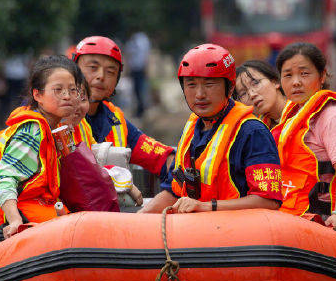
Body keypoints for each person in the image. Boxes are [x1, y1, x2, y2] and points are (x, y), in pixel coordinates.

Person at [140, 44, 282, 214]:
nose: (200, 94)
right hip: (198, 230)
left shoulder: (252, 132)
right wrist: (140, 220)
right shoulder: (192, 130)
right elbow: (173, 191)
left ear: (229, 88)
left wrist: (207, 207)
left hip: (239, 234)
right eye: (191, 85)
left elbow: (268, 201)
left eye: (209, 84)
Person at [0, 55, 85, 251]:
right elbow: (5, 177)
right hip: (3, 235)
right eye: (58, 90)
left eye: (72, 90)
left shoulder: (53, 129)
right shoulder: (32, 131)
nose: (67, 96)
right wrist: (15, 220)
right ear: (37, 95)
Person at [273, 42, 336, 232]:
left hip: (320, 218)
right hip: (290, 212)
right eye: (288, 75)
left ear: (322, 76)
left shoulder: (333, 116)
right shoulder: (292, 114)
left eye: (304, 73)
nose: (296, 82)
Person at [0, 62, 91, 202]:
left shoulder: (81, 129)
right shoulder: (29, 131)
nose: (74, 103)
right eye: (59, 91)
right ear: (39, 96)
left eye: (81, 98)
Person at [70, 36, 175, 179]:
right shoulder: (57, 115)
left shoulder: (115, 119)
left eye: (110, 72)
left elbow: (156, 155)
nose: (101, 76)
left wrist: (177, 166)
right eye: (93, 68)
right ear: (73, 71)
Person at [233, 60, 287, 130]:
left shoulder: (303, 110)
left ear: (274, 82)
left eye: (256, 83)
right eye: (243, 93)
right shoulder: (256, 130)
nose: (252, 95)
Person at [125, 31, 151, 117]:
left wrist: (146, 68)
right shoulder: (132, 42)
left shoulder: (142, 40)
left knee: (141, 89)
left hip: (140, 68)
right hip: (135, 69)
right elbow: (129, 56)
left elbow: (146, 56)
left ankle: (142, 108)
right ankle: (139, 108)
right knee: (136, 90)